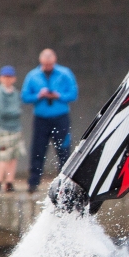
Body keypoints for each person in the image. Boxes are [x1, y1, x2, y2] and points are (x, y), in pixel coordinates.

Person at [21, 49, 78, 193]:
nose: (47, 66)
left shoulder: (65, 73)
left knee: (63, 150)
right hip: (41, 118)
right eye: (45, 64)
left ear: (54, 61)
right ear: (41, 62)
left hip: (60, 117)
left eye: (50, 64)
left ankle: (65, 182)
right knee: (38, 150)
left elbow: (73, 93)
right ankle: (33, 182)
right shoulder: (32, 76)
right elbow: (25, 96)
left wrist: (59, 96)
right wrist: (38, 96)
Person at [0, 65, 24, 193]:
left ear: (14, 79)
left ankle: (9, 182)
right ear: (0, 78)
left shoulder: (15, 92)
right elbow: (2, 111)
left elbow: (17, 109)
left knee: (14, 156)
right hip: (4, 128)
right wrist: (15, 112)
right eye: (5, 77)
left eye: (10, 77)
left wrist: (15, 112)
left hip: (16, 127)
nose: (7, 80)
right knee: (4, 156)